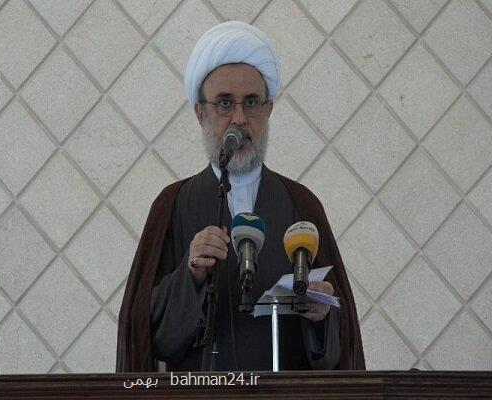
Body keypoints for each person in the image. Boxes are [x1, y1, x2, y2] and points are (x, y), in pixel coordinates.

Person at [117, 21, 364, 372]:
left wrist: (322, 318)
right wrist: (191, 275)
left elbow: (339, 349)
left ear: (268, 110)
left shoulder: (301, 204)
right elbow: (148, 338)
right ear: (201, 113)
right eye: (224, 103)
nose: (239, 118)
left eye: (251, 103)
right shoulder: (172, 206)